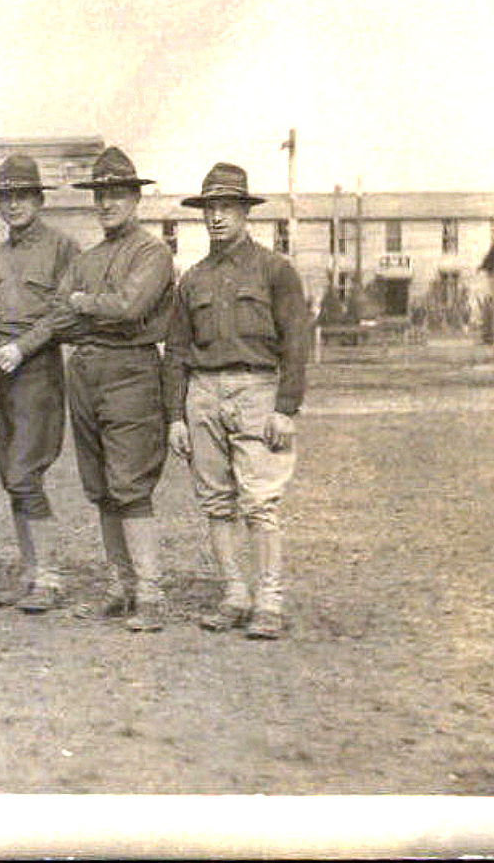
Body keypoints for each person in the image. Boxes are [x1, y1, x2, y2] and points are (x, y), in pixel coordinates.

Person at [165, 163, 310, 640]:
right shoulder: (192, 279)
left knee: (261, 502)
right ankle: (234, 594)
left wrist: (286, 408)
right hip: (203, 394)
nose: (218, 217)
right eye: (210, 208)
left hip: (257, 390)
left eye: (227, 207)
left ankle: (268, 601)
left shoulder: (275, 270)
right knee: (215, 501)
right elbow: (177, 351)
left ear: (245, 213)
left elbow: (296, 342)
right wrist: (175, 417)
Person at [52, 147, 179, 632]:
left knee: (129, 483)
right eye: (101, 195)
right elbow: (60, 313)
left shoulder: (152, 251)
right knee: (101, 485)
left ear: (136, 198)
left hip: (131, 373)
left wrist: (85, 304)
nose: (107, 203)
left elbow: (130, 308)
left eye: (118, 194)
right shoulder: (89, 257)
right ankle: (120, 584)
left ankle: (150, 592)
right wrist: (86, 312)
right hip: (86, 372)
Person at [0, 155, 81, 613]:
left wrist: (24, 347)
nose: (13, 205)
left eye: (22, 196)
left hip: (36, 374)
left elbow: (64, 313)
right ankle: (31, 573)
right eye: (5, 197)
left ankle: (50, 577)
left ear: (38, 199)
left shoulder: (62, 248)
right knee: (11, 476)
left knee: (24, 473)